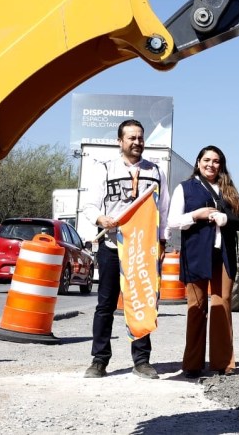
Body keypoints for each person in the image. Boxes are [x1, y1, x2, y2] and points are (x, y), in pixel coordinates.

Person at [82, 119, 170, 380]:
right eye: (131, 138)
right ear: (120, 141)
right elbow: (89, 204)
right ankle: (99, 360)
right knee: (105, 304)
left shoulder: (155, 171)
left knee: (142, 301)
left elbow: (163, 210)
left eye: (140, 138)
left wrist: (162, 241)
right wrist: (101, 219)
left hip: (142, 250)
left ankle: (142, 360)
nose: (137, 142)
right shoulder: (105, 169)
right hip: (111, 245)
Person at [167, 146, 239, 379]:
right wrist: (196, 215)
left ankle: (223, 362)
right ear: (198, 161)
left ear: (221, 165)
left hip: (223, 253)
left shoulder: (228, 189)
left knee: (222, 305)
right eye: (207, 160)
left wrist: (225, 219)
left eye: (216, 161)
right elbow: (172, 221)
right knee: (197, 306)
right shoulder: (186, 188)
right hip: (196, 253)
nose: (211, 165)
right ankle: (192, 363)